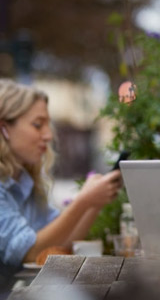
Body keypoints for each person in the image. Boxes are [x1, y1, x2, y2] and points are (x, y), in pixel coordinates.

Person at [0, 80, 121, 287]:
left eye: (48, 125)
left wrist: (95, 203)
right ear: (4, 129)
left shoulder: (27, 183)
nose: (48, 135)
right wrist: (83, 201)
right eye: (38, 125)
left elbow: (59, 244)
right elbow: (31, 253)